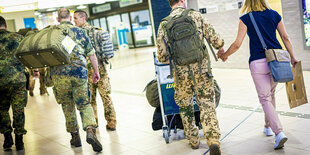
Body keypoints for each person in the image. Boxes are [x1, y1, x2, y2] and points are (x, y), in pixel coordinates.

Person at [218, 0, 298, 150]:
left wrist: (224, 55)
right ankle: (268, 126)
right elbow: (285, 37)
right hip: (276, 60)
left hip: (258, 62)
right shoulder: (274, 15)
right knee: (271, 95)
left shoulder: (246, 18)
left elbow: (237, 44)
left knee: (265, 98)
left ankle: (279, 132)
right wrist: (293, 57)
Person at [156, 0, 224, 154]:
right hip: (202, 70)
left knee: (185, 106)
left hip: (181, 75)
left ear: (170, 3)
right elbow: (216, 40)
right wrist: (221, 49)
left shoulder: (164, 24)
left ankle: (193, 140)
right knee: (207, 103)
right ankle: (213, 140)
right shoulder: (195, 15)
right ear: (182, 1)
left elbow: (161, 56)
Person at [51, 8, 102, 152]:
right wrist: (96, 72)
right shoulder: (80, 31)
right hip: (79, 73)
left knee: (67, 105)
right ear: (71, 18)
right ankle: (90, 129)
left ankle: (75, 137)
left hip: (59, 75)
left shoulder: (52, 33)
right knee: (84, 104)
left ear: (57, 19)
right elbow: (92, 54)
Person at [73, 10, 117, 130]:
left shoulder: (76, 34)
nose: (74, 21)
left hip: (85, 72)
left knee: (90, 100)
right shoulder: (98, 31)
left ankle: (93, 123)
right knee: (106, 97)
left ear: (83, 18)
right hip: (101, 69)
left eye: (76, 18)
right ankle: (112, 123)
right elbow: (108, 54)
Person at [0, 16, 28, 151]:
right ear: (5, 25)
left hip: (0, 82)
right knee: (18, 109)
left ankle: (7, 137)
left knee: (1, 110)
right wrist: (33, 70)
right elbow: (26, 55)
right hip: (18, 80)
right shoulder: (17, 37)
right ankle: (19, 140)